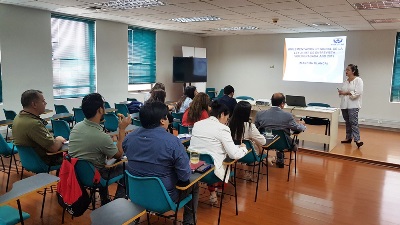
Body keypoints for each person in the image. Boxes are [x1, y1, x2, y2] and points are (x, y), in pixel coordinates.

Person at [123, 101, 197, 225]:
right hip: (164, 199)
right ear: (163, 121)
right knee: (194, 184)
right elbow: (184, 176)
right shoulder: (173, 142)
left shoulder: (129, 138)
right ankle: (189, 223)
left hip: (136, 195)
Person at [68, 93, 132, 205]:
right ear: (100, 110)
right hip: (96, 177)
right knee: (127, 166)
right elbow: (119, 154)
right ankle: (117, 204)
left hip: (78, 174)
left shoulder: (76, 127)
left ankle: (105, 200)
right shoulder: (100, 136)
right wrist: (121, 129)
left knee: (99, 163)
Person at [189, 101, 248, 205]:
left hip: (194, 169)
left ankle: (213, 192)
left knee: (214, 156)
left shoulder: (197, 124)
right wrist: (244, 148)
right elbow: (234, 154)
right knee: (225, 161)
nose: (226, 121)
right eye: (226, 118)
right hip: (211, 173)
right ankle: (219, 189)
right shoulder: (223, 128)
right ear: (221, 115)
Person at [13, 89, 66, 166]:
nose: (45, 103)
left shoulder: (18, 118)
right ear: (34, 104)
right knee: (77, 158)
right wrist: (59, 139)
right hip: (43, 161)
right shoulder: (33, 124)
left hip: (29, 161)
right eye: (43, 101)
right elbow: (53, 148)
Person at [254, 93, 306, 168]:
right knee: (288, 140)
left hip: (265, 142)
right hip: (284, 144)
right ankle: (279, 155)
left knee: (274, 134)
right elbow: (298, 128)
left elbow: (255, 129)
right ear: (282, 104)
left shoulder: (260, 114)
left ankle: (276, 156)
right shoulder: (288, 116)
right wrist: (303, 125)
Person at [229, 101, 268, 180]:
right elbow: (263, 142)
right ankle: (268, 158)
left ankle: (269, 158)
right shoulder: (249, 126)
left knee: (251, 142)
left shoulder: (228, 123)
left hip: (231, 153)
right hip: (248, 155)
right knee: (255, 143)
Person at [338, 64, 364, 148]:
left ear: (353, 71)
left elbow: (358, 93)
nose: (346, 71)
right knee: (347, 122)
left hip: (353, 105)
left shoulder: (358, 80)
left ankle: (357, 139)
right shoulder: (345, 81)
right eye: (346, 70)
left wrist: (345, 93)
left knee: (353, 122)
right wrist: (341, 92)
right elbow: (343, 92)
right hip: (344, 105)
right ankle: (348, 138)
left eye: (348, 70)